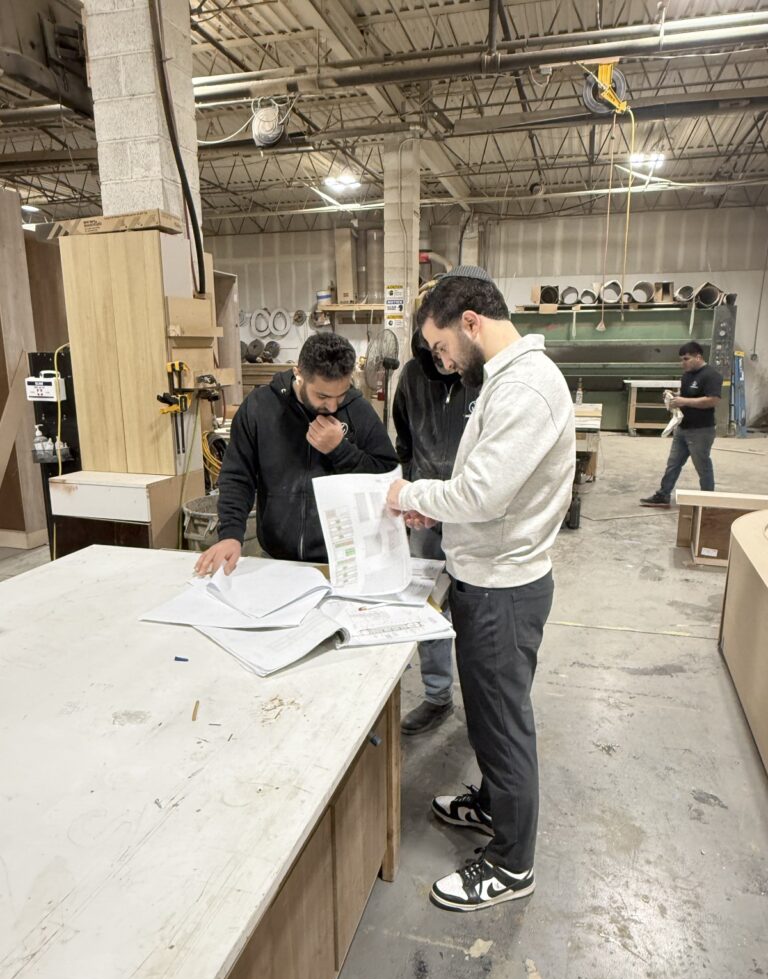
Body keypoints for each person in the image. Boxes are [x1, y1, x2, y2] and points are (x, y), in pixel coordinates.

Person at [386, 271, 575, 912]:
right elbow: (482, 490)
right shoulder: (505, 381)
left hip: (503, 589)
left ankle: (511, 863)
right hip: (487, 579)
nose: (440, 361)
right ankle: (493, 804)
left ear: (470, 323)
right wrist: (436, 512)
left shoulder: (523, 386)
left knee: (502, 724)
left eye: (441, 347)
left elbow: (483, 493)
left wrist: (411, 495)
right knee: (492, 717)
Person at [195, 331, 398, 576]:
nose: (332, 406)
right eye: (322, 396)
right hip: (275, 559)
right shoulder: (260, 408)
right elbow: (238, 477)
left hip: (342, 563)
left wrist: (341, 451)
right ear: (298, 373)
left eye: (340, 395)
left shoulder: (358, 411)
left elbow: (386, 477)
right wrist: (230, 535)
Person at [394, 315, 481, 735]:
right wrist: (412, 487)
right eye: (436, 354)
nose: (445, 363)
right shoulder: (412, 376)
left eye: (447, 353)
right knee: (426, 605)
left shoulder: (480, 376)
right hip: (425, 514)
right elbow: (404, 439)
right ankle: (437, 696)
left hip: (473, 516)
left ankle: (483, 705)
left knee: (476, 609)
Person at [640, 341, 723, 508]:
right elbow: (687, 395)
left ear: (698, 357)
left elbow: (712, 400)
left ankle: (708, 501)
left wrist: (684, 400)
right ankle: (663, 495)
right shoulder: (687, 375)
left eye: (686, 359)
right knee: (673, 463)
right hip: (683, 428)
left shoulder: (711, 375)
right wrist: (674, 397)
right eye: (681, 359)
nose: (682, 363)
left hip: (701, 430)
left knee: (702, 465)